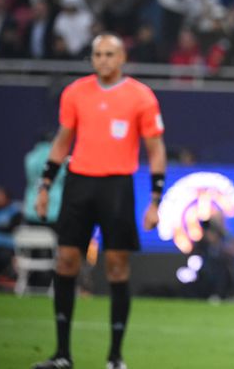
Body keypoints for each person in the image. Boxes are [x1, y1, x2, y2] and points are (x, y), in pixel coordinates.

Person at [32, 33, 167, 369]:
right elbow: (63, 141)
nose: (103, 60)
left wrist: (155, 199)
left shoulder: (140, 96)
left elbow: (155, 148)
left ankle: (115, 357)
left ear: (122, 58)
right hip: (79, 183)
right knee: (65, 261)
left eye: (109, 54)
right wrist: (45, 185)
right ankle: (62, 354)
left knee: (117, 266)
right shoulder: (75, 93)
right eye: (97, 54)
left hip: (117, 186)